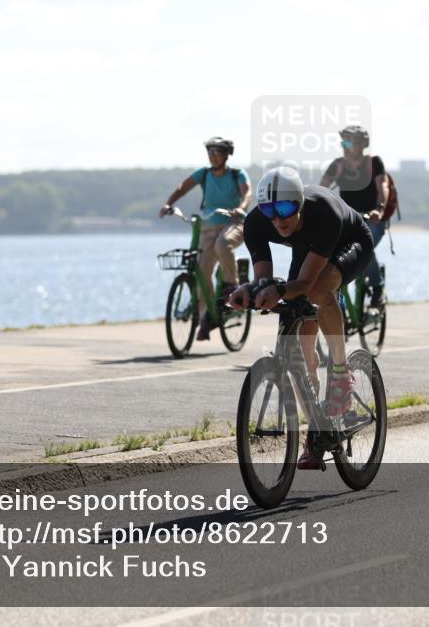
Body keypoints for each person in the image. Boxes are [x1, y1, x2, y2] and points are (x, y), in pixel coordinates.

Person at [228, 167, 375, 470]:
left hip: (349, 241)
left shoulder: (322, 213)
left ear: (300, 204)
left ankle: (340, 371)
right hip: (308, 248)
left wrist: (280, 289)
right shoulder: (257, 222)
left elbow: (305, 286)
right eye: (271, 210)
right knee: (299, 351)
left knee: (320, 291)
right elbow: (263, 280)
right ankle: (318, 433)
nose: (278, 219)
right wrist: (247, 291)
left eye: (285, 209)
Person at [160, 137, 252, 340]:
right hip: (209, 226)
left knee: (224, 244)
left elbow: (247, 193)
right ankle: (206, 316)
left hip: (234, 223)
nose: (212, 156)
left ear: (227, 155)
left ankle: (231, 286)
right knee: (201, 273)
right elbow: (183, 186)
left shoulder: (237, 174)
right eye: (209, 152)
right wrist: (168, 204)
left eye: (216, 152)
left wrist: (241, 208)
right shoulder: (204, 174)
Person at [320, 125, 389, 306]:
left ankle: (377, 288)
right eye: (343, 141)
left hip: (372, 219)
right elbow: (322, 189)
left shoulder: (374, 163)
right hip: (348, 221)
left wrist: (379, 209)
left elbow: (383, 187)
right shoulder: (338, 165)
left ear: (363, 144)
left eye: (350, 141)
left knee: (364, 247)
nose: (345, 145)